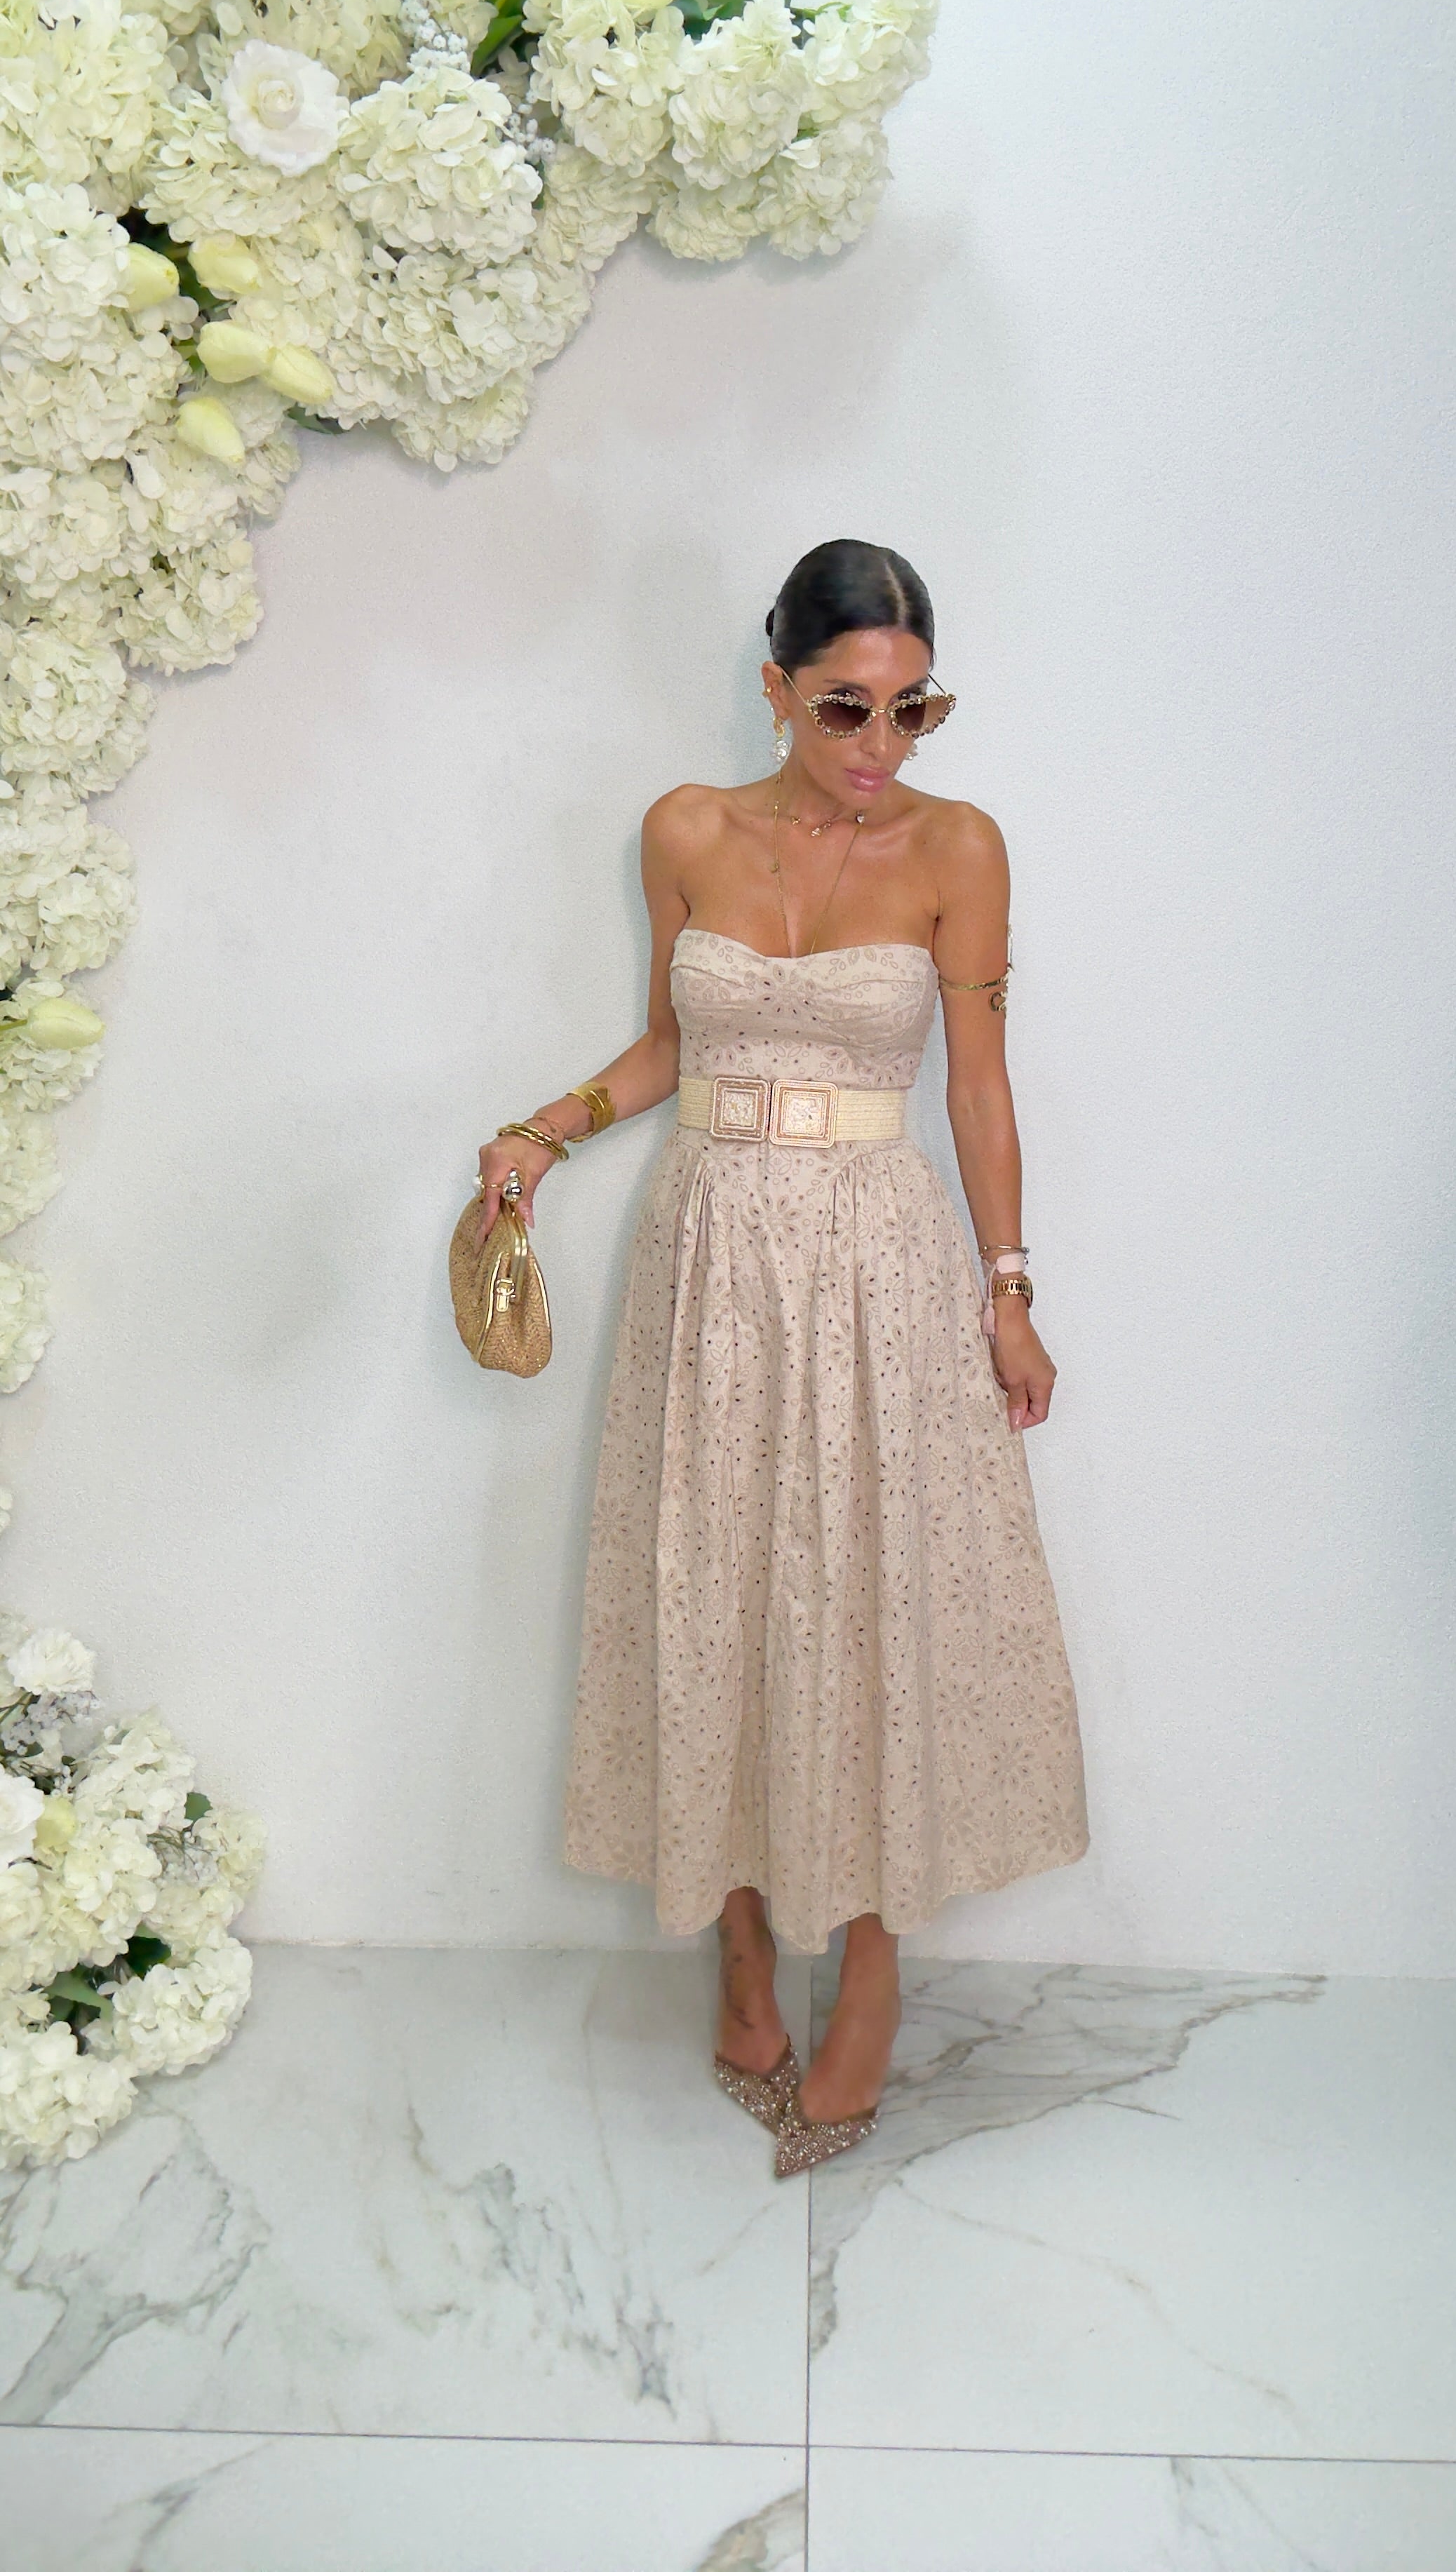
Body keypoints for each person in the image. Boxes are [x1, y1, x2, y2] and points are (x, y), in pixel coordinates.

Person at [476, 538, 1088, 2175]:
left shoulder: (960, 847)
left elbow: (977, 1085)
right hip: (711, 1257)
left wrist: (1008, 1287)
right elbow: (674, 1045)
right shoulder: (687, 828)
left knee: (877, 1595)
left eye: (913, 710)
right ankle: (741, 1953)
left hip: (879, 1259)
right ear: (777, 688)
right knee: (721, 1589)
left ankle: (871, 1972)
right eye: (845, 710)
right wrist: (545, 1130)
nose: (880, 746)